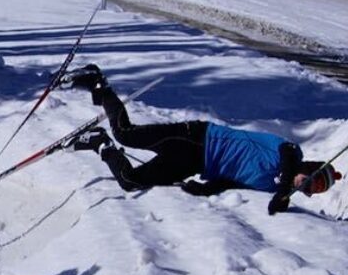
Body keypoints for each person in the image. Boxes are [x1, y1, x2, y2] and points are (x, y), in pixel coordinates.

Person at [62, 65, 341, 215]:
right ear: (310, 166)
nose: (304, 186)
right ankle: (98, 83)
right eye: (311, 179)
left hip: (195, 164)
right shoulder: (290, 152)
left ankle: (100, 143)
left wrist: (207, 190)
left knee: (130, 181)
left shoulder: (272, 184)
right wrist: (283, 193)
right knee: (127, 134)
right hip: (197, 138)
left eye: (310, 190)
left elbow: (233, 178)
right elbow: (289, 163)